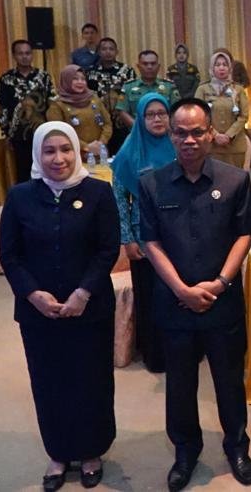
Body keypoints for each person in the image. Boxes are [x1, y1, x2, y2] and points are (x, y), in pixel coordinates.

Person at [139, 98, 251, 490]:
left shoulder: (235, 180)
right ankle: (185, 451)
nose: (189, 140)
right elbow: (151, 242)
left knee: (229, 380)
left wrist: (220, 283)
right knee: (179, 383)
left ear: (210, 133)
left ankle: (237, 446)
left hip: (222, 300)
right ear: (170, 135)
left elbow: (244, 235)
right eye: (181, 133)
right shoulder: (151, 183)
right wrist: (181, 288)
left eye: (197, 132)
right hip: (174, 303)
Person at [0, 121, 119, 491]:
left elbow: (107, 249)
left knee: (91, 380)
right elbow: (10, 255)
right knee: (48, 381)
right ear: (37, 153)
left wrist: (83, 293)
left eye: (65, 149)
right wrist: (33, 295)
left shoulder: (98, 192)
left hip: (90, 308)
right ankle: (59, 452)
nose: (59, 158)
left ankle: (92, 451)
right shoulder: (20, 196)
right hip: (39, 313)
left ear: (76, 151)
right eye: (49, 151)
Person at [111, 93, 176, 373]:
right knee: (152, 297)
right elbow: (119, 200)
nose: (157, 119)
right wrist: (127, 239)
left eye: (162, 113)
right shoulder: (129, 152)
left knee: (178, 293)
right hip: (144, 236)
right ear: (140, 118)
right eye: (150, 115)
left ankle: (185, 350)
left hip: (178, 235)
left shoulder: (179, 145)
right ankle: (155, 354)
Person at [0, 40, 55, 182]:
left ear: (32, 55)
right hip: (17, 133)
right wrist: (5, 132)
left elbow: (52, 103)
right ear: (14, 55)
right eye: (20, 53)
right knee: (23, 172)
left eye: (28, 53)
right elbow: (2, 106)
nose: (24, 57)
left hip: (41, 131)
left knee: (44, 169)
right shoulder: (6, 79)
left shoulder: (43, 76)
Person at [195, 52, 249, 168]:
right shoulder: (202, 89)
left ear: (229, 68)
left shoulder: (238, 89)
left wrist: (229, 135)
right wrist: (215, 135)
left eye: (225, 64)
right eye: (217, 64)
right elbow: (198, 116)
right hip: (211, 146)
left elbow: (244, 116)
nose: (221, 68)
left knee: (235, 177)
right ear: (212, 68)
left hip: (235, 147)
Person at [46, 65, 112, 159]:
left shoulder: (94, 98)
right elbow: (60, 133)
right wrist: (86, 147)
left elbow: (107, 123)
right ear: (66, 80)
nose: (80, 82)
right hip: (72, 156)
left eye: (83, 79)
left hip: (99, 153)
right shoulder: (57, 105)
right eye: (75, 79)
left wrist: (101, 143)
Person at [86, 37, 136, 154]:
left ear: (116, 51)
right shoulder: (90, 72)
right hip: (99, 121)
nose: (108, 52)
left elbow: (132, 94)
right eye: (104, 49)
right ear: (98, 52)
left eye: (111, 49)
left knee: (124, 152)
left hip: (122, 121)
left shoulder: (127, 71)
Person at [115, 50, 179, 131]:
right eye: (145, 64)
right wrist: (139, 128)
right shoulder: (128, 87)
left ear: (158, 66)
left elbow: (177, 110)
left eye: (153, 63)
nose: (149, 67)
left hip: (165, 132)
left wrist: (165, 127)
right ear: (138, 66)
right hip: (138, 133)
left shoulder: (169, 86)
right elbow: (122, 111)